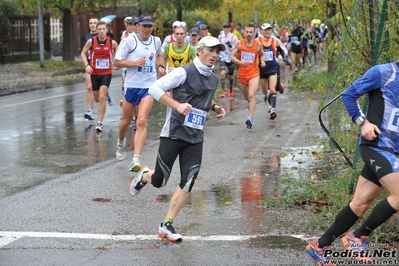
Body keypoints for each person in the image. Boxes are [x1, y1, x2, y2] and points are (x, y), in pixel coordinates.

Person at [128, 36, 226, 242]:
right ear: (199, 51)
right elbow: (154, 89)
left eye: (217, 51)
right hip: (173, 133)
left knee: (189, 180)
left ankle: (166, 225)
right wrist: (177, 105)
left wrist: (215, 106)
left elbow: (202, 97)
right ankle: (145, 175)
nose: (214, 55)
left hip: (195, 136)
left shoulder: (213, 78)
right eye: (210, 50)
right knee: (159, 181)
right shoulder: (184, 72)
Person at [306, 60, 399, 266]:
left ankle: (319, 245)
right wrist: (362, 121)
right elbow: (349, 94)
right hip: (375, 146)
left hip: (392, 152)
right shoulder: (384, 72)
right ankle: (359, 235)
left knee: (360, 204)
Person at [113, 14, 166, 171]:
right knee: (125, 122)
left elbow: (160, 54)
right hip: (132, 86)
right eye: (144, 26)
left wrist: (161, 66)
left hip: (149, 87)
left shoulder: (156, 41)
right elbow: (116, 62)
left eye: (150, 26)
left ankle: (136, 159)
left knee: (141, 121)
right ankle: (121, 141)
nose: (147, 29)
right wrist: (134, 63)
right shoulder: (129, 41)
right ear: (137, 26)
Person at [80, 21, 119, 132]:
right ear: (96, 31)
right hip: (94, 73)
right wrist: (86, 65)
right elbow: (83, 53)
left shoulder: (112, 42)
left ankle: (100, 122)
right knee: (97, 99)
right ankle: (106, 94)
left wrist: (116, 63)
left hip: (106, 73)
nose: (102, 31)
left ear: (107, 30)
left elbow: (120, 53)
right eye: (100, 29)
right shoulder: (91, 41)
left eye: (104, 29)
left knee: (101, 97)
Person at [230, 23, 266, 129]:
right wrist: (240, 62)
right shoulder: (239, 44)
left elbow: (262, 54)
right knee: (247, 98)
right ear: (244, 32)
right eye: (247, 32)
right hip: (242, 74)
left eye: (251, 32)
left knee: (251, 95)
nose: (249, 34)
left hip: (254, 73)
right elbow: (232, 57)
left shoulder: (258, 44)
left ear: (254, 33)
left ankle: (250, 118)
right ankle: (250, 106)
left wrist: (263, 61)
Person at [257, 23, 289, 120]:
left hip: (272, 68)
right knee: (264, 91)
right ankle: (270, 105)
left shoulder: (275, 40)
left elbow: (282, 50)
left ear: (271, 30)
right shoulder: (257, 41)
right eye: (265, 30)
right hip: (261, 69)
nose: (267, 31)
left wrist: (283, 58)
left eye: (269, 29)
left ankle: (273, 110)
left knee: (272, 89)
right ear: (261, 31)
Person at [82, 17, 98, 121]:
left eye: (94, 23)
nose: (92, 25)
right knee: (89, 87)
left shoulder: (103, 36)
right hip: (90, 64)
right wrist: (86, 64)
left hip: (101, 65)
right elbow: (84, 51)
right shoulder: (86, 37)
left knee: (100, 90)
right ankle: (89, 111)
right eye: (90, 23)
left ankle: (107, 94)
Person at [218, 22, 238, 98]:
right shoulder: (220, 37)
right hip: (222, 56)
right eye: (224, 27)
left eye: (227, 27)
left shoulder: (233, 37)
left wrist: (231, 45)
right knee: (223, 73)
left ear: (230, 28)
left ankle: (231, 88)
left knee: (230, 75)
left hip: (230, 57)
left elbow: (236, 48)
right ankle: (223, 91)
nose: (226, 29)